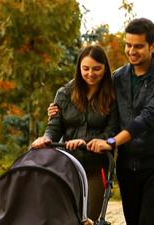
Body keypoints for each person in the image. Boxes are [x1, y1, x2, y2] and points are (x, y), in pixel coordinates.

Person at [49, 18, 154, 225]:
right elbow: (86, 85)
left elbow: (148, 117)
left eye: (138, 46)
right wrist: (57, 105)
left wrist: (111, 142)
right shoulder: (119, 77)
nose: (131, 51)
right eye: (128, 45)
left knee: (150, 221)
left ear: (153, 46)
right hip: (129, 164)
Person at [31, 45, 119, 220]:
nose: (90, 74)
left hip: (96, 168)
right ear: (79, 68)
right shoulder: (64, 94)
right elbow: (54, 128)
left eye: (97, 69)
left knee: (89, 218)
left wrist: (84, 142)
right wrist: (46, 138)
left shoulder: (112, 96)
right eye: (86, 69)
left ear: (105, 68)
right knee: (63, 217)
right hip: (67, 168)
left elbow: (112, 131)